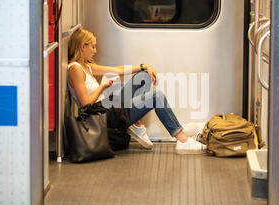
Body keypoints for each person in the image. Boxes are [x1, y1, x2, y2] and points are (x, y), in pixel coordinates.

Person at [67, 27, 206, 154]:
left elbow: (117, 70)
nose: (95, 50)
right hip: (101, 114)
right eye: (93, 46)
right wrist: (102, 86)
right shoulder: (75, 69)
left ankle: (137, 125)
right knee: (156, 97)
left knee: (143, 76)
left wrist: (143, 66)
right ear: (82, 47)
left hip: (108, 105)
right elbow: (85, 103)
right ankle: (182, 140)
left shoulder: (86, 66)